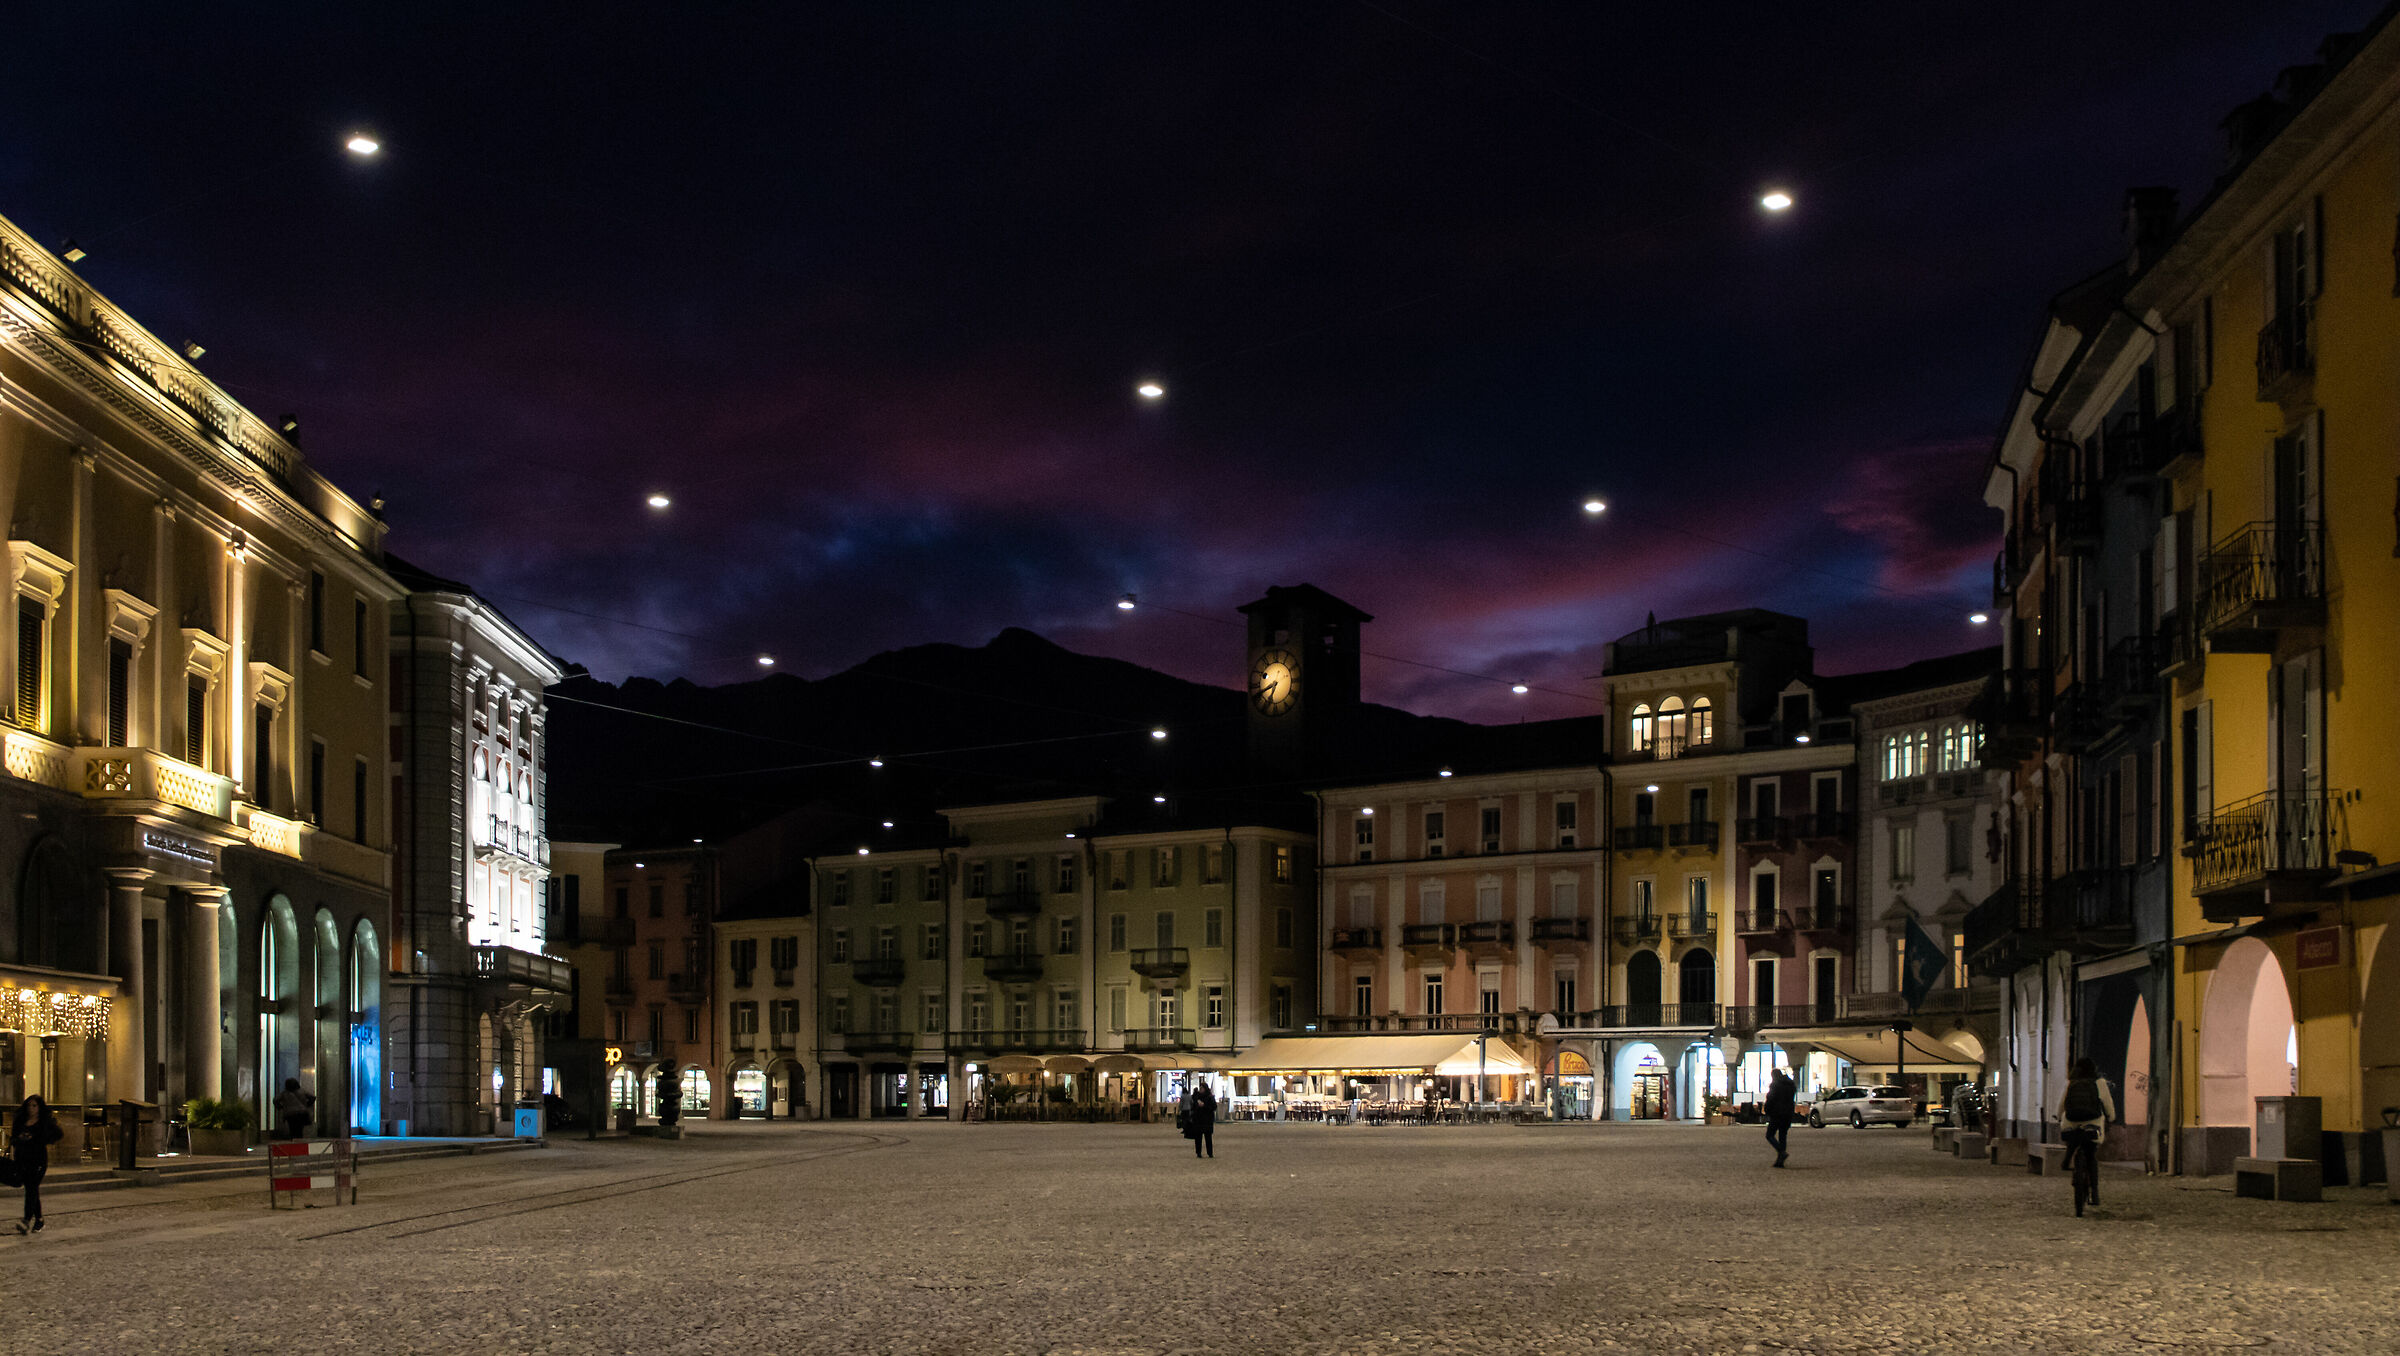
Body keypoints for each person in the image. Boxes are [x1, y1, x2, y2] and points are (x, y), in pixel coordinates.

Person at [2056, 1057, 2117, 1216]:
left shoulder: (2070, 1082)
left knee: (2073, 1140)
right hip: (2092, 1123)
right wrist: (2111, 1117)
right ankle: (2094, 1193)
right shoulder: (2099, 1083)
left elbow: (2062, 1103)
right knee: (2090, 1156)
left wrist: (2058, 1116)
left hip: (2071, 1122)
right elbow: (2107, 1103)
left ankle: (2067, 1158)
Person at [11, 1095, 63, 1234]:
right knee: (31, 1189)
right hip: (23, 1159)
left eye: (34, 1106)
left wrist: (40, 1140)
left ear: (39, 1107)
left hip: (38, 1160)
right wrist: (20, 1139)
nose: (31, 1109)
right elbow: (13, 1138)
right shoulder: (21, 1121)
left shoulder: (44, 1122)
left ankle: (27, 1219)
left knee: (32, 1188)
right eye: (29, 1105)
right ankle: (39, 1219)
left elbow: (57, 1134)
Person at [1763, 1068, 1797, 1168]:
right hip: (1788, 1113)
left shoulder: (1775, 1085)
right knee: (1783, 1135)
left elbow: (1771, 1099)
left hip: (1777, 1113)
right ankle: (1780, 1161)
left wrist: (1767, 1110)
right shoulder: (1791, 1085)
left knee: (1769, 1135)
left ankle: (1781, 1152)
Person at [1188, 1081, 1217, 1159]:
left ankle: (1210, 1153)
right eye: (1200, 1088)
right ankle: (1198, 1153)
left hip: (1207, 1121)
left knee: (1208, 1138)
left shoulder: (1210, 1097)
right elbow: (1193, 1106)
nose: (1201, 1090)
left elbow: (1213, 1107)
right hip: (1198, 1120)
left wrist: (1204, 1105)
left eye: (1202, 1088)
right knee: (1198, 1138)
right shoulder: (1197, 1097)